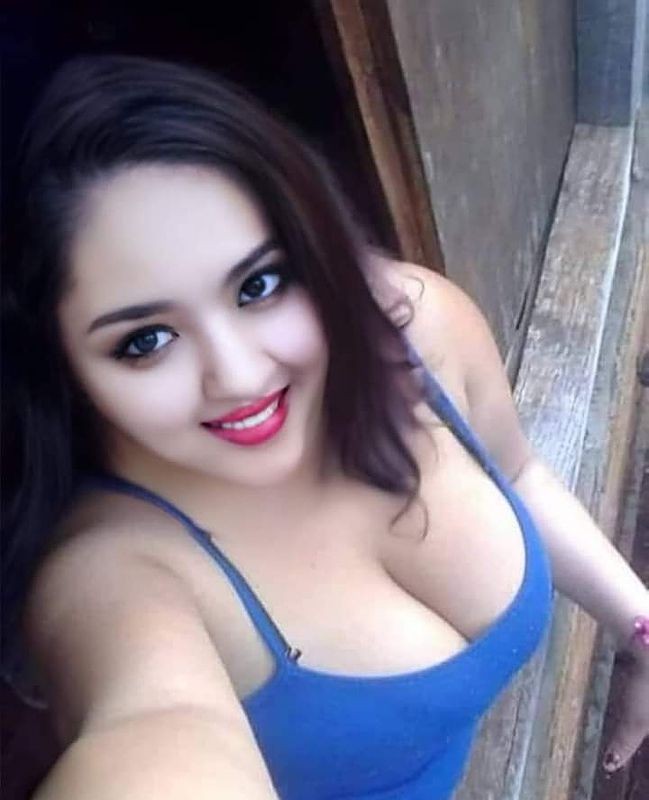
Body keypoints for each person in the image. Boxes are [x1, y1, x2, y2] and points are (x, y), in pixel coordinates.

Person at [2, 54, 647, 800]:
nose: (238, 375)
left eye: (259, 284)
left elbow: (518, 473)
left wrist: (640, 628)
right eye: (145, 340)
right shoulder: (111, 575)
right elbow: (156, 726)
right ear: (60, 363)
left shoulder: (416, 331)